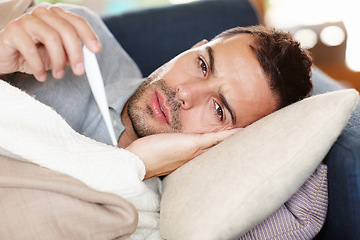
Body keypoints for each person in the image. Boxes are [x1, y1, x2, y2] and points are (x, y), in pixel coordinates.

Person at [0, 3, 312, 179]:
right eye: (202, 65)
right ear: (194, 48)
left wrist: (132, 165)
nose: (185, 92)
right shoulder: (76, 38)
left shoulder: (169, 200)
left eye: (218, 109)